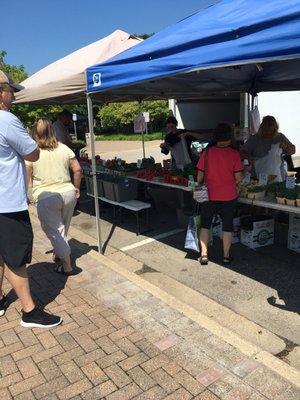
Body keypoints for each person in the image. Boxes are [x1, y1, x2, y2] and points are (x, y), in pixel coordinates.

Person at [0, 71, 62, 328]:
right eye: (10, 90)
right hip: (7, 202)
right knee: (16, 257)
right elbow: (33, 153)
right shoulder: (6, 119)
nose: (13, 95)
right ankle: (29, 311)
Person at [26, 118, 82, 275]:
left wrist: (28, 195)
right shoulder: (64, 148)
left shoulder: (32, 152)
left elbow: (27, 177)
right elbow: (77, 170)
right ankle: (59, 253)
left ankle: (67, 266)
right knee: (63, 226)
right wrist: (76, 188)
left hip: (46, 197)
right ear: (52, 131)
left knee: (55, 231)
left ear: (35, 133)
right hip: (68, 193)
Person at [196, 122, 243, 266]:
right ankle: (226, 256)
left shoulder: (207, 152)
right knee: (227, 226)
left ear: (216, 137)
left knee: (205, 224)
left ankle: (204, 255)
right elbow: (239, 178)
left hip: (209, 194)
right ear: (229, 138)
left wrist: (199, 185)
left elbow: (199, 177)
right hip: (229, 195)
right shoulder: (234, 154)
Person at [241, 115, 296, 182]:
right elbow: (242, 152)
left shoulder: (280, 137)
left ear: (275, 129)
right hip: (258, 175)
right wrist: (249, 158)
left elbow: (293, 151)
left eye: (271, 131)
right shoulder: (255, 139)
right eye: (265, 130)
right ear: (261, 127)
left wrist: (286, 147)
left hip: (277, 174)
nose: (268, 133)